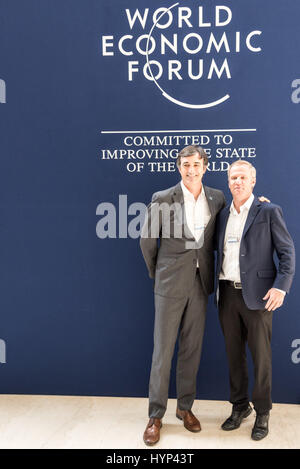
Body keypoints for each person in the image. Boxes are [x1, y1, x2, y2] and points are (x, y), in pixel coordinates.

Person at [140, 145, 226, 445]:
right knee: (163, 352)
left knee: (192, 349)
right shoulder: (163, 198)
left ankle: (185, 408)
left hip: (200, 285)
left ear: (205, 166)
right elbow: (147, 241)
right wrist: (160, 273)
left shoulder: (217, 198)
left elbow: (228, 230)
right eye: (186, 164)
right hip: (169, 286)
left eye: (196, 164)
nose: (191, 170)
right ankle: (155, 415)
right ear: (179, 167)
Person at [216, 160, 295, 441]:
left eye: (242, 177)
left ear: (253, 181)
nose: (237, 182)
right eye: (232, 177)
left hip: (259, 296)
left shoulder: (269, 210)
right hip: (226, 294)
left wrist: (281, 288)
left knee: (261, 358)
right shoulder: (222, 215)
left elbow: (287, 254)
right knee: (233, 355)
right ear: (228, 183)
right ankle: (240, 407)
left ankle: (262, 412)